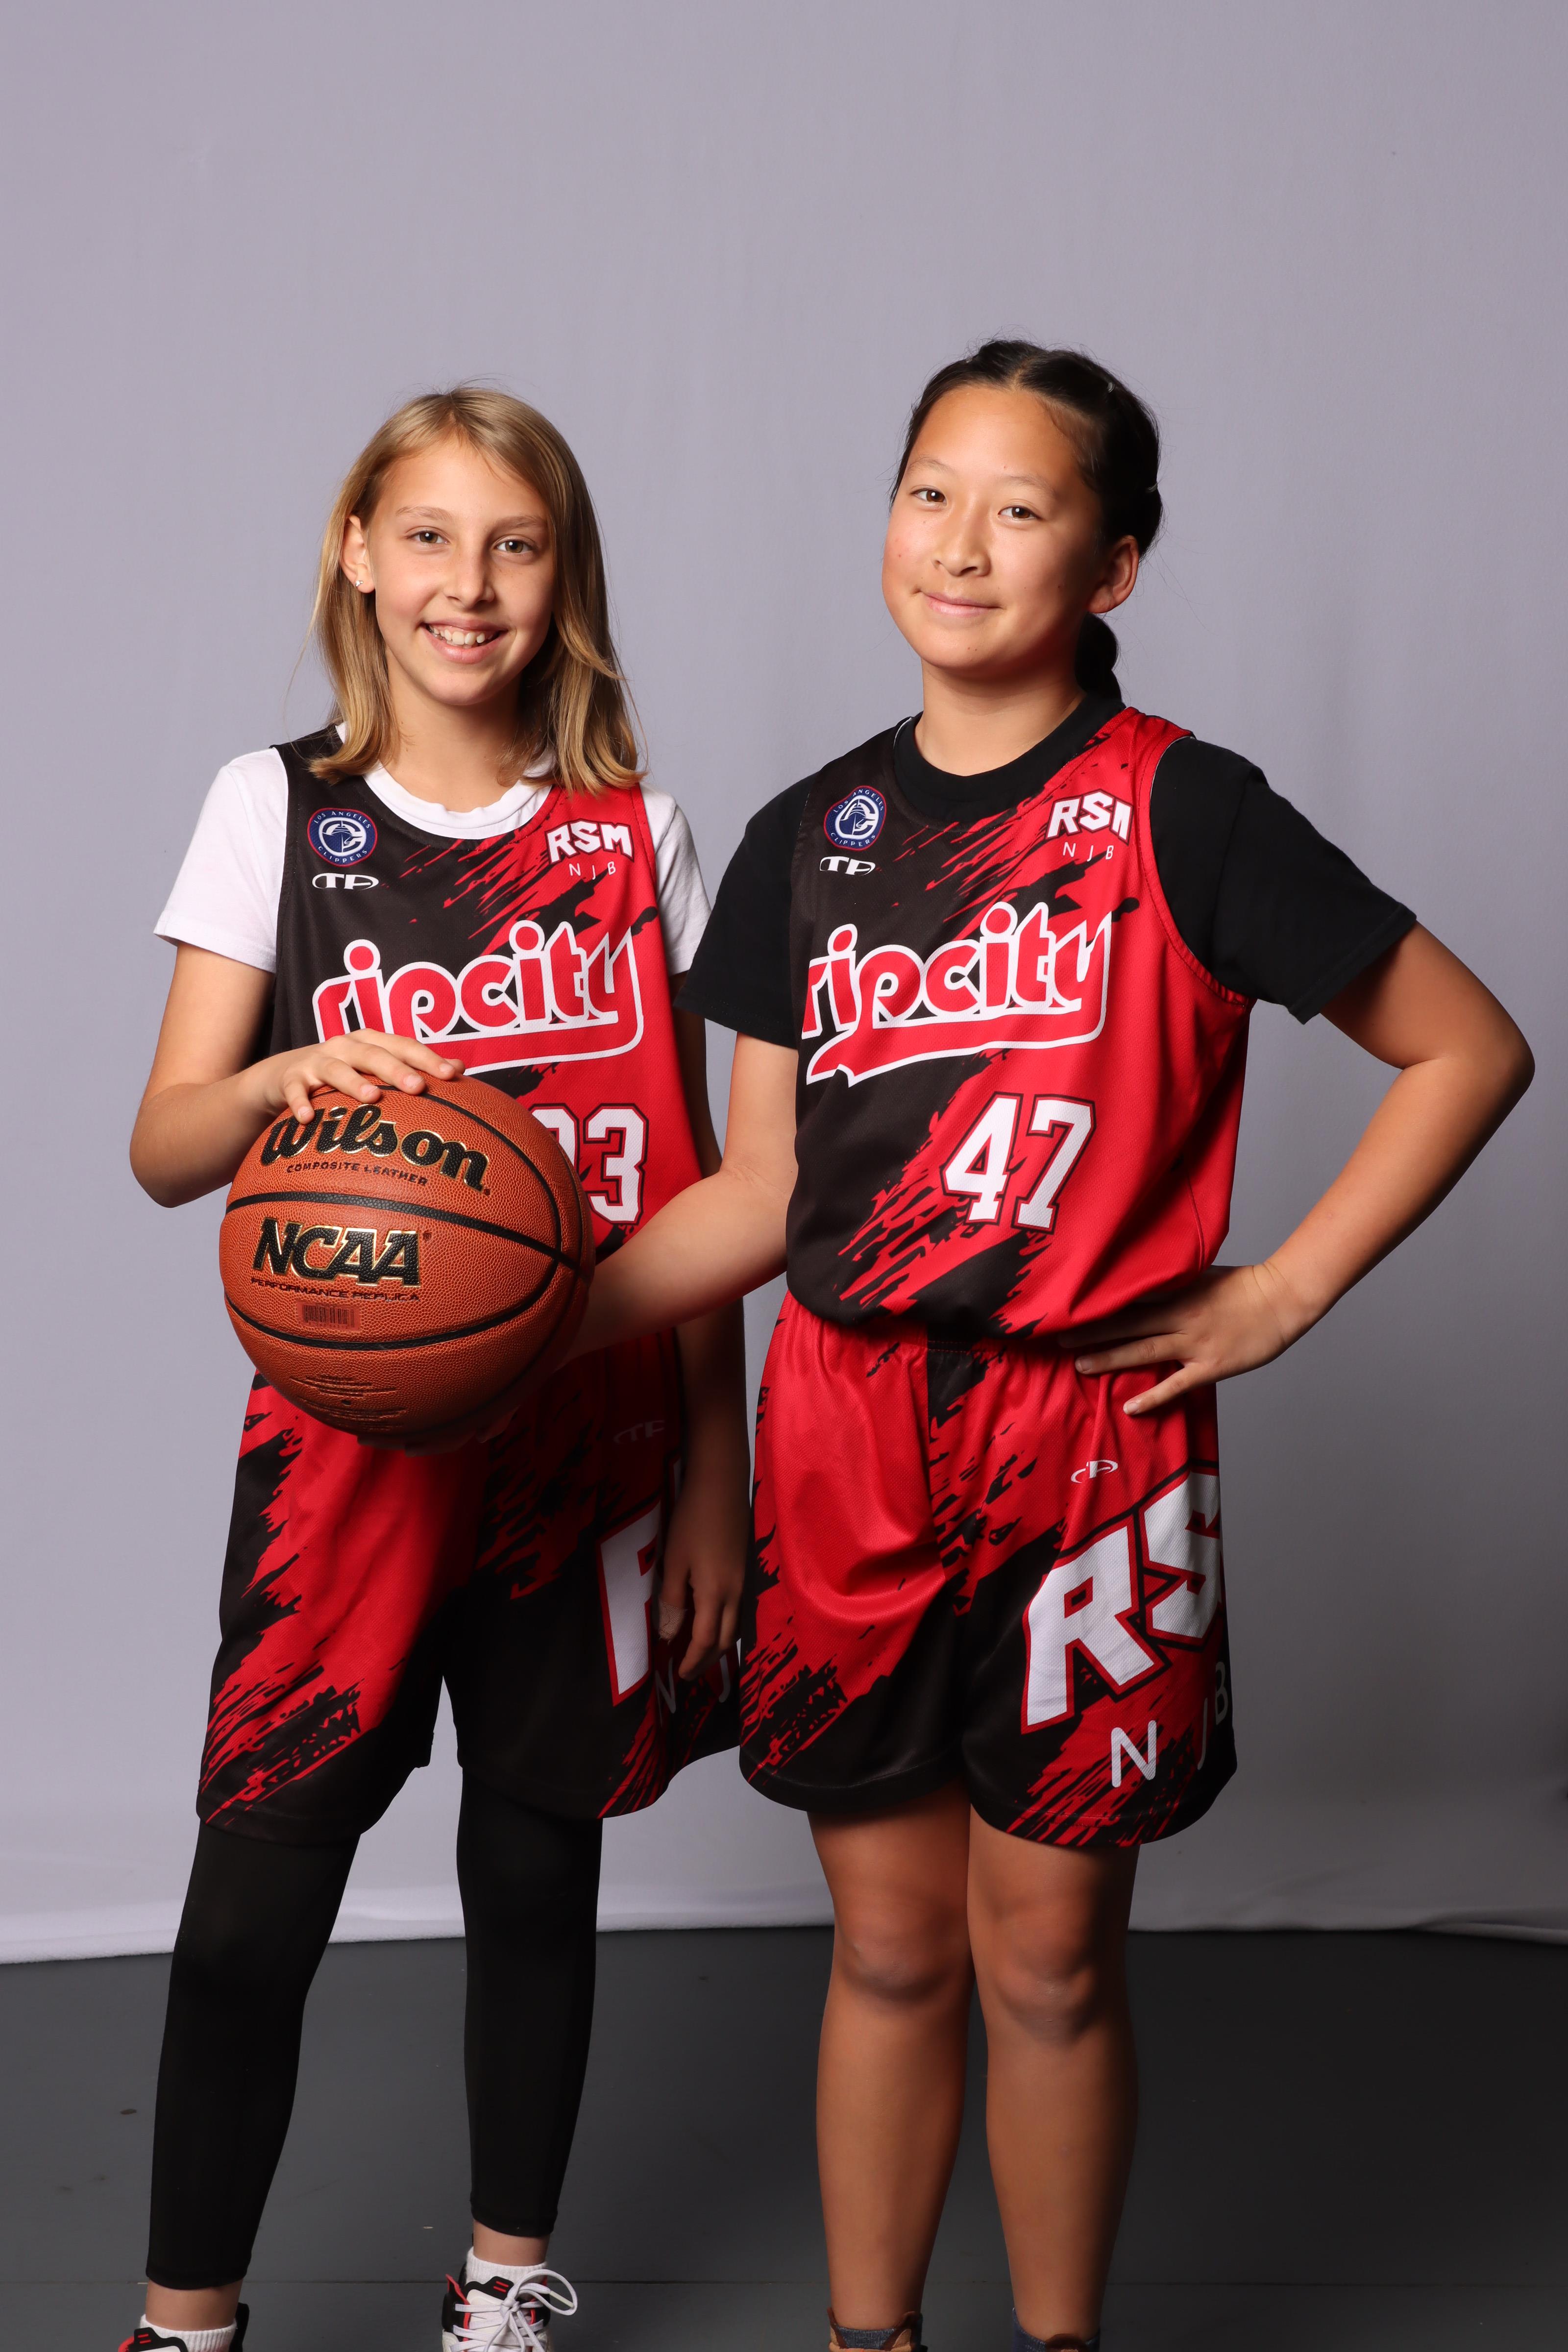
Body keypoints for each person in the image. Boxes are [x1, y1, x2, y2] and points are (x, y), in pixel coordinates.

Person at [565, 341, 1535, 2352]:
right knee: (889, 1949)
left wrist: (1279, 1290)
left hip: (1088, 1438)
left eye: (1021, 507)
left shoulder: (1184, 809)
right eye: (930, 490)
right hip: (846, 1429)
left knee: (1052, 1958)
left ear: (1112, 565)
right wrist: (532, 1332)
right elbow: (762, 1196)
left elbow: (1469, 1047)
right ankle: (874, 2344)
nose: (961, 541)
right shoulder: (808, 834)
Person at [120, 388, 749, 2352]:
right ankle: (186, 2321)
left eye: (513, 545)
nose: (466, 587)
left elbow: (702, 1183)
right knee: (252, 1906)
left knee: (536, 1874)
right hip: (353, 1445)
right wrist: (283, 1079)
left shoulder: (638, 834)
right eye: (427, 538)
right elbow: (163, 1148)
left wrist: (717, 1481)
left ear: (564, 579)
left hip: (592, 1440)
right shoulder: (276, 809)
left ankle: (501, 2283)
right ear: (355, 552)